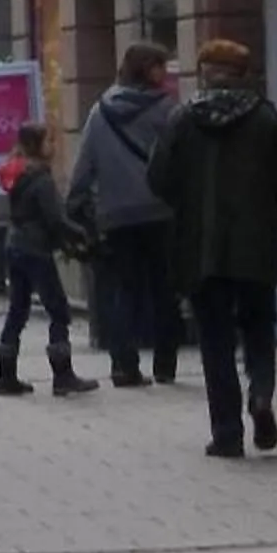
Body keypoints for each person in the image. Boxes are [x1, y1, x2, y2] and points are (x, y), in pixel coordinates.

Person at [146, 37, 277, 460]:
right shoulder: (267, 119)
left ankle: (228, 432)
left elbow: (158, 177)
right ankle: (263, 395)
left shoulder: (182, 119)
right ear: (243, 74)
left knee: (215, 340)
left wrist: (188, 203)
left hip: (201, 248)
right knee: (258, 326)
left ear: (205, 73)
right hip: (256, 245)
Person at [69, 41, 183, 387]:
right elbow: (180, 159)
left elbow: (84, 164)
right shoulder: (167, 110)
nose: (165, 73)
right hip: (160, 213)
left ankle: (123, 365)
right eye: (160, 66)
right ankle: (165, 364)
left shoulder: (101, 110)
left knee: (123, 291)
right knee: (165, 289)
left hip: (115, 214)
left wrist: (77, 205)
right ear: (147, 69)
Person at [0, 122, 98, 397]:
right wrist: (82, 234)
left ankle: (6, 376)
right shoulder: (40, 178)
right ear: (37, 146)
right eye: (49, 141)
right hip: (35, 249)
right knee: (59, 310)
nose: (53, 146)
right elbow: (55, 219)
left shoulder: (17, 172)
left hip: (15, 244)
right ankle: (63, 375)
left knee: (17, 309)